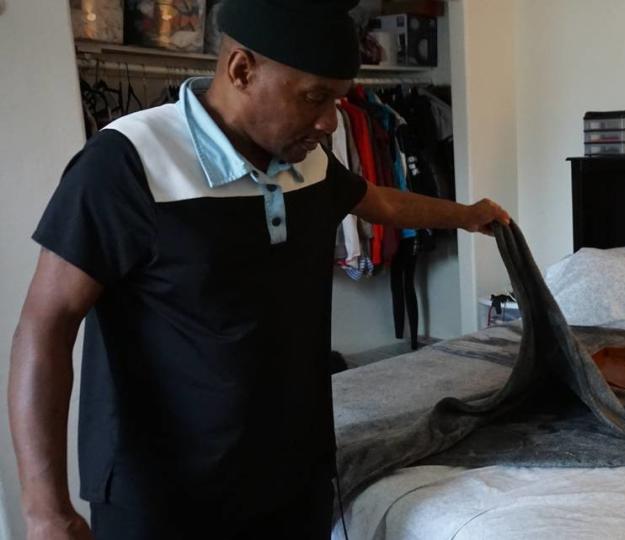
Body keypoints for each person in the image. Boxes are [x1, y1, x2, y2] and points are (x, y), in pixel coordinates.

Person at [7, 1, 510, 538]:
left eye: (339, 100)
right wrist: (44, 510)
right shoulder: (130, 163)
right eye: (315, 96)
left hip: (292, 473)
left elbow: (378, 203)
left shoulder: (306, 157)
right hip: (164, 496)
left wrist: (467, 216)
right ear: (242, 70)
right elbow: (46, 325)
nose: (329, 121)